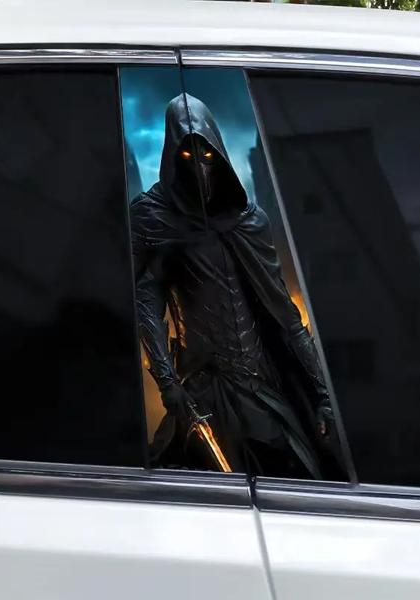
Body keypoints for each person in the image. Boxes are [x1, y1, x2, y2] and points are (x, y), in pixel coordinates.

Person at [131, 93, 345, 479]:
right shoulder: (155, 217)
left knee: (300, 472)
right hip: (205, 388)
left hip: (263, 384)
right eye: (187, 155)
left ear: (219, 153)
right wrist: (167, 382)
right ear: (171, 156)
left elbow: (286, 316)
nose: (199, 167)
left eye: (206, 155)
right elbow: (145, 300)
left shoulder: (249, 220)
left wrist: (323, 394)